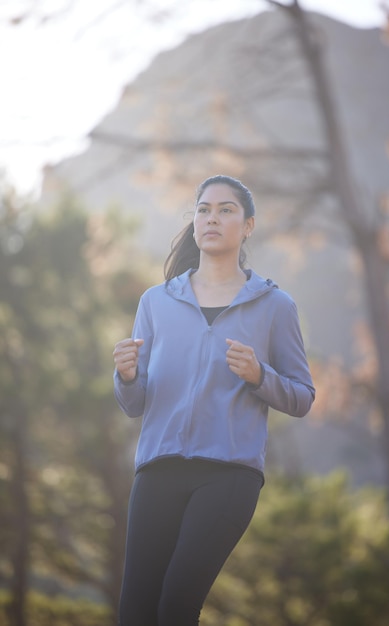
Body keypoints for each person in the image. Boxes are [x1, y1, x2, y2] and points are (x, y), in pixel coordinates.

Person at [113, 174, 315, 626]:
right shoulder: (157, 302)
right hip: (158, 469)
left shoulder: (274, 305)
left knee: (176, 608)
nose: (212, 218)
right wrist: (126, 376)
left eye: (226, 210)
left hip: (229, 474)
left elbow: (303, 397)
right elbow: (134, 403)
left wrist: (260, 375)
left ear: (248, 226)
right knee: (135, 613)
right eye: (204, 209)